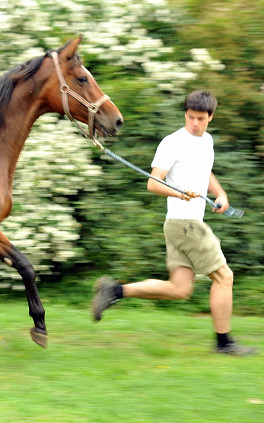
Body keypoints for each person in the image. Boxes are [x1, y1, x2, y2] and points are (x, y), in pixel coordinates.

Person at [92, 90, 257, 356]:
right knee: (225, 277)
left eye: (200, 118)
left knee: (179, 289)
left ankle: (114, 291)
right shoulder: (173, 143)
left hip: (180, 225)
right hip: (186, 223)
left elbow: (205, 170)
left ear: (210, 117)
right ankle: (224, 344)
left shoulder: (207, 142)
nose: (194, 123)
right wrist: (179, 192)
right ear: (185, 114)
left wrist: (220, 194)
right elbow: (153, 182)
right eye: (190, 117)